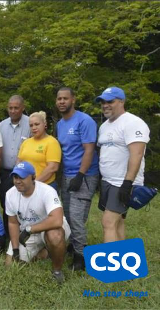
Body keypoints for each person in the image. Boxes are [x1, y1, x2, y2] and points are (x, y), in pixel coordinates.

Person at [95, 87, 150, 243]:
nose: (105, 105)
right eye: (103, 102)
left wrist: (128, 183)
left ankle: (110, 266)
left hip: (122, 182)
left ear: (122, 101)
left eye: (110, 101)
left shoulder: (133, 122)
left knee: (108, 222)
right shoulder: (104, 126)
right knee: (118, 223)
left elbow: (137, 154)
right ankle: (122, 265)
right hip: (108, 181)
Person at [4, 162, 70, 284]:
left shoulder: (47, 191)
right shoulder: (10, 194)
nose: (17, 181)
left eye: (22, 177)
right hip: (28, 233)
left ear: (33, 177)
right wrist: (16, 249)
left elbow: (57, 220)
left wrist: (29, 229)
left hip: (48, 229)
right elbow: (13, 223)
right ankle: (44, 252)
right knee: (10, 265)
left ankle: (57, 271)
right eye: (15, 177)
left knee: (54, 235)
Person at [56, 87, 99, 270]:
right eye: (59, 99)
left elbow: (89, 149)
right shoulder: (60, 124)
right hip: (66, 175)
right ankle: (74, 244)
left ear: (73, 99)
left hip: (85, 175)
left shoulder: (85, 120)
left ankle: (81, 257)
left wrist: (80, 175)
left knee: (76, 217)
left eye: (65, 98)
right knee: (67, 214)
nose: (62, 102)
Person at [0, 95, 30, 238]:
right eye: (10, 108)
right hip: (5, 173)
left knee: (23, 205)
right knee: (7, 205)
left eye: (16, 108)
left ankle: (24, 236)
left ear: (23, 108)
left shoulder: (31, 123)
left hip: (24, 173)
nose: (13, 111)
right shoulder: (1, 125)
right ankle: (8, 237)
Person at [17, 111, 61, 189]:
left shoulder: (52, 142)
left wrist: (34, 183)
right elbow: (19, 162)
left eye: (37, 124)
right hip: (26, 186)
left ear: (45, 124)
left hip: (45, 186)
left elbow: (52, 167)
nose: (34, 128)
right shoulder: (26, 142)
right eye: (31, 125)